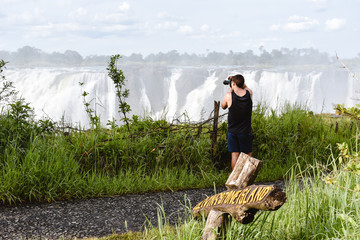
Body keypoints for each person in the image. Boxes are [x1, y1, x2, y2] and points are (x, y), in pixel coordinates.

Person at [221, 74, 253, 169]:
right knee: (247, 155)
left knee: (234, 154)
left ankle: (234, 179)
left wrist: (231, 88)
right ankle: (246, 178)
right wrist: (236, 82)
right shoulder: (249, 93)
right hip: (245, 131)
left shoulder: (228, 95)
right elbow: (245, 87)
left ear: (233, 83)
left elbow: (223, 106)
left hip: (232, 131)